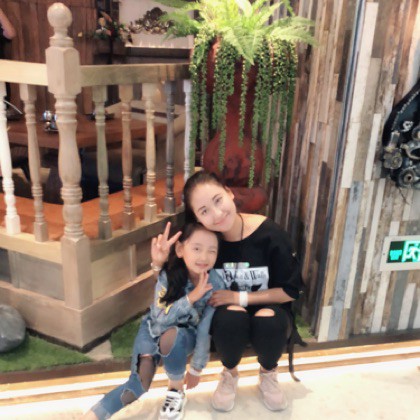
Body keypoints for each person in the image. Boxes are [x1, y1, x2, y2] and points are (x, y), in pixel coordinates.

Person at [152, 170, 305, 413]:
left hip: (271, 309)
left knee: (269, 321)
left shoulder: (271, 235)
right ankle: (230, 374)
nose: (216, 214)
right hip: (227, 316)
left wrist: (240, 297)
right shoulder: (207, 243)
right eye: (204, 211)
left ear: (229, 193)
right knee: (229, 317)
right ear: (198, 219)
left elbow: (291, 290)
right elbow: (177, 281)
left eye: (218, 200)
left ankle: (268, 373)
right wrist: (159, 263)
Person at [83, 222, 225, 420]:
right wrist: (191, 297)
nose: (204, 257)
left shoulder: (215, 283)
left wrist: (196, 367)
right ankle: (92, 416)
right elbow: (160, 317)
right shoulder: (167, 275)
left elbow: (205, 327)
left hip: (184, 336)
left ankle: (175, 390)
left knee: (172, 336)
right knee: (137, 385)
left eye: (212, 251)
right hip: (152, 330)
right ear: (180, 249)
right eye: (196, 249)